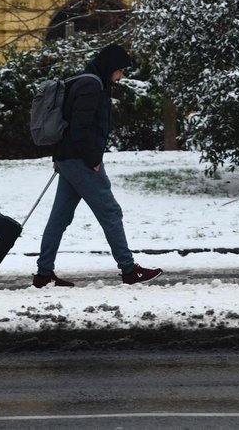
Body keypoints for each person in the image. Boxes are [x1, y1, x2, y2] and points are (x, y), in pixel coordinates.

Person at [34, 44, 162, 288]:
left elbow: (69, 123)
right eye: (120, 70)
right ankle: (128, 269)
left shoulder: (85, 81)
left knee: (59, 218)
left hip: (69, 158)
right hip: (80, 160)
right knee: (110, 212)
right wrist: (93, 160)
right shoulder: (91, 86)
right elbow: (80, 128)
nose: (121, 75)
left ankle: (43, 274)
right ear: (111, 67)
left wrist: (61, 157)